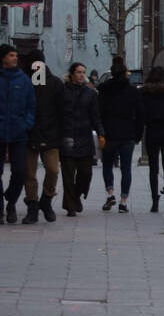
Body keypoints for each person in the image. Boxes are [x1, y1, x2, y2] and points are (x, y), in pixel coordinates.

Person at [0, 44, 36, 224]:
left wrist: (26, 124)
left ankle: (11, 201)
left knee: (20, 170)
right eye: (11, 55)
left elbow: (31, 106)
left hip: (18, 131)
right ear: (3, 58)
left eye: (16, 55)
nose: (15, 58)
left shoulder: (24, 80)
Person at [22, 50, 65, 224]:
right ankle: (32, 205)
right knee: (29, 173)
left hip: (50, 134)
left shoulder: (55, 83)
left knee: (53, 170)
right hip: (29, 134)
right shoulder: (26, 82)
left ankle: (46, 200)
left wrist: (62, 133)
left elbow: (63, 110)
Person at [98, 55, 143, 212]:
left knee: (107, 165)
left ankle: (110, 193)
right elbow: (139, 114)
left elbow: (99, 112)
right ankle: (123, 201)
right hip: (127, 133)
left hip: (108, 133)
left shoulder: (103, 89)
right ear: (125, 73)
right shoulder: (132, 91)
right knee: (126, 169)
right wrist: (138, 134)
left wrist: (100, 130)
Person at [61, 63, 102, 216]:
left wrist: (101, 133)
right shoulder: (63, 91)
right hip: (67, 137)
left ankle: (76, 195)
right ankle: (71, 206)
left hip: (85, 137)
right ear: (71, 74)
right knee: (68, 175)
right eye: (78, 72)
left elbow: (95, 116)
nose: (81, 75)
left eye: (83, 72)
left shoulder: (90, 93)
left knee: (86, 174)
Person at [140, 67, 164, 213]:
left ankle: (154, 200)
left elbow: (141, 114)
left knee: (153, 167)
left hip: (152, 131)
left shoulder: (145, 93)